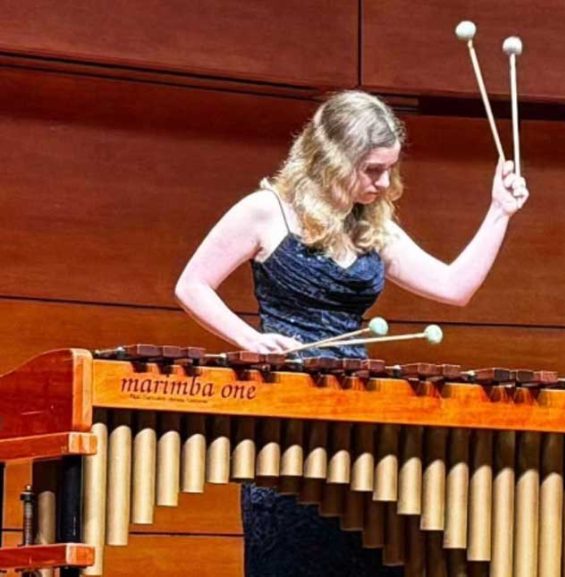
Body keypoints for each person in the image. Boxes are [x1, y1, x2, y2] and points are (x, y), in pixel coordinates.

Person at [174, 90, 528, 577]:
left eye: (389, 170)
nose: (384, 183)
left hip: (359, 423)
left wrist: (498, 213)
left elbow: (454, 287)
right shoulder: (266, 211)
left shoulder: (373, 227)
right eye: (372, 170)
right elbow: (192, 285)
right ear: (333, 159)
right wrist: (249, 340)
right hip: (285, 421)